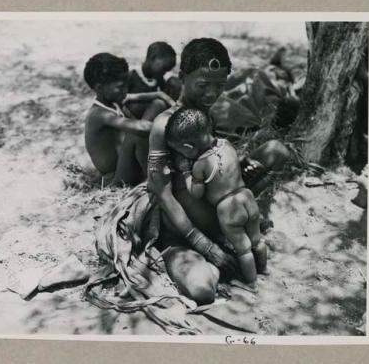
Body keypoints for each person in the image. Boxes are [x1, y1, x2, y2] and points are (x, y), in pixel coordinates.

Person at [147, 38, 290, 304]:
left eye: (220, 85)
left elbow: (211, 158)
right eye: (203, 85)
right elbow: (161, 193)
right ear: (182, 77)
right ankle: (206, 259)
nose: (212, 94)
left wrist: (237, 164)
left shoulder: (206, 115)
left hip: (223, 217)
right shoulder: (164, 124)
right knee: (202, 289)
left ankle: (240, 228)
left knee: (276, 151)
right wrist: (204, 246)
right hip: (183, 235)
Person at [165, 108, 268, 291]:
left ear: (188, 147)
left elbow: (196, 193)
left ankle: (251, 282)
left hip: (228, 207)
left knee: (243, 248)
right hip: (246, 197)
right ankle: (263, 269)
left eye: (180, 150)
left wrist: (186, 171)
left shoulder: (200, 165)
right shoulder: (227, 145)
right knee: (256, 240)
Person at [83, 53, 172, 186]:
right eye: (120, 86)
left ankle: (156, 163)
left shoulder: (114, 100)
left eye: (126, 85)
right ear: (99, 88)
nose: (125, 90)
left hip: (126, 163)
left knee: (158, 105)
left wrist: (171, 104)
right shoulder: (98, 114)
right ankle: (154, 181)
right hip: (116, 178)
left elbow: (157, 96)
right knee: (136, 134)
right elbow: (142, 128)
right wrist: (176, 124)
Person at [126, 42, 179, 121]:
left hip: (150, 115)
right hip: (132, 116)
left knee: (175, 83)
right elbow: (122, 99)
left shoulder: (158, 78)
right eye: (163, 69)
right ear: (152, 58)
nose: (164, 73)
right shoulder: (132, 75)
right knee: (158, 104)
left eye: (167, 70)